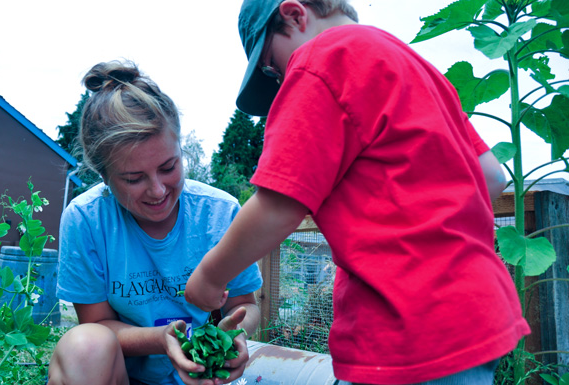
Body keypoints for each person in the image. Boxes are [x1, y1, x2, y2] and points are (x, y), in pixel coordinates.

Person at [184, 1, 531, 384]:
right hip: (476, 312)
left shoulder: (322, 60)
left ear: (295, 15)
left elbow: (279, 204)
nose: (280, 79)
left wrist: (209, 277)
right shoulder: (414, 66)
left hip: (405, 325)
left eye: (271, 66)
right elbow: (490, 175)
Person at [48, 60, 262, 385]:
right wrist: (163, 338)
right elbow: (97, 324)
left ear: (180, 147)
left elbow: (245, 305)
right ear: (104, 177)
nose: (158, 190)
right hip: (123, 378)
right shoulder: (86, 219)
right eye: (134, 178)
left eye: (168, 167)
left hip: (205, 378)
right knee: (84, 345)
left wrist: (235, 335)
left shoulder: (220, 213)